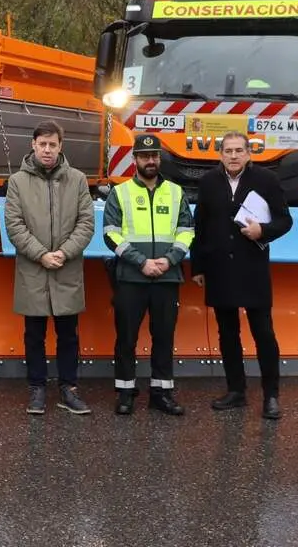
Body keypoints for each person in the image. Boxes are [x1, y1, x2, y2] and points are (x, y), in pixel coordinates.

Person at [190, 131, 293, 420]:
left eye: (238, 151)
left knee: (264, 333)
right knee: (227, 334)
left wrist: (263, 231)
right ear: (220, 155)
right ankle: (236, 391)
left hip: (252, 269)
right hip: (219, 269)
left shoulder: (266, 180)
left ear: (249, 153)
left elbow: (285, 220)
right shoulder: (208, 182)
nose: (233, 156)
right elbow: (200, 226)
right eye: (228, 151)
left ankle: (271, 396)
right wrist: (198, 266)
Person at [4, 120, 95, 415]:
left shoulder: (77, 180)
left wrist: (64, 253)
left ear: (60, 146)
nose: (47, 150)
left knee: (69, 334)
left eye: (52, 144)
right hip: (34, 269)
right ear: (33, 145)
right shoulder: (17, 181)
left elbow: (86, 223)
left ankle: (69, 389)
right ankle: (37, 388)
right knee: (34, 334)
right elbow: (14, 225)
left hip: (66, 268)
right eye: (42, 144)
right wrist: (42, 254)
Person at [102, 133, 195, 417]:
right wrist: (141, 262)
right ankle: (125, 392)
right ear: (135, 159)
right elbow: (110, 234)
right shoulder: (120, 193)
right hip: (131, 277)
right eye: (144, 156)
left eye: (154, 155)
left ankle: (161, 393)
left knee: (164, 337)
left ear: (160, 159)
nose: (150, 160)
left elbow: (186, 231)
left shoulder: (176, 193)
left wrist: (169, 260)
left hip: (166, 277)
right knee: (126, 338)